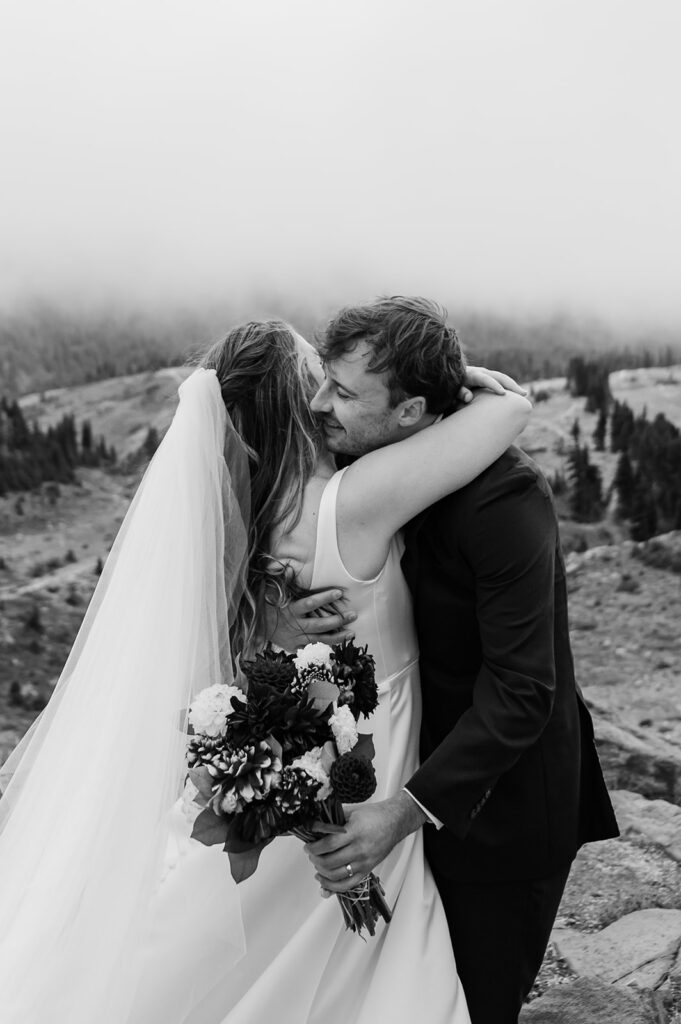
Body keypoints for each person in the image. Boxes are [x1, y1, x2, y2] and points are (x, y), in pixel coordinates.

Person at [0, 314, 529, 1023]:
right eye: (321, 385)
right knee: (341, 939)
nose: (327, 402)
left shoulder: (250, 515)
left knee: (265, 930)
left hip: (299, 740)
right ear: (294, 401)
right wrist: (454, 381)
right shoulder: (351, 501)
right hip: (366, 740)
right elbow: (511, 411)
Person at [277, 297, 620, 1024]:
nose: (319, 406)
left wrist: (401, 814)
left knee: (471, 1004)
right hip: (402, 767)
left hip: (500, 814)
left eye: (341, 391)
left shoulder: (506, 499)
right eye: (323, 381)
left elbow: (523, 689)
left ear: (410, 411)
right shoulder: (364, 456)